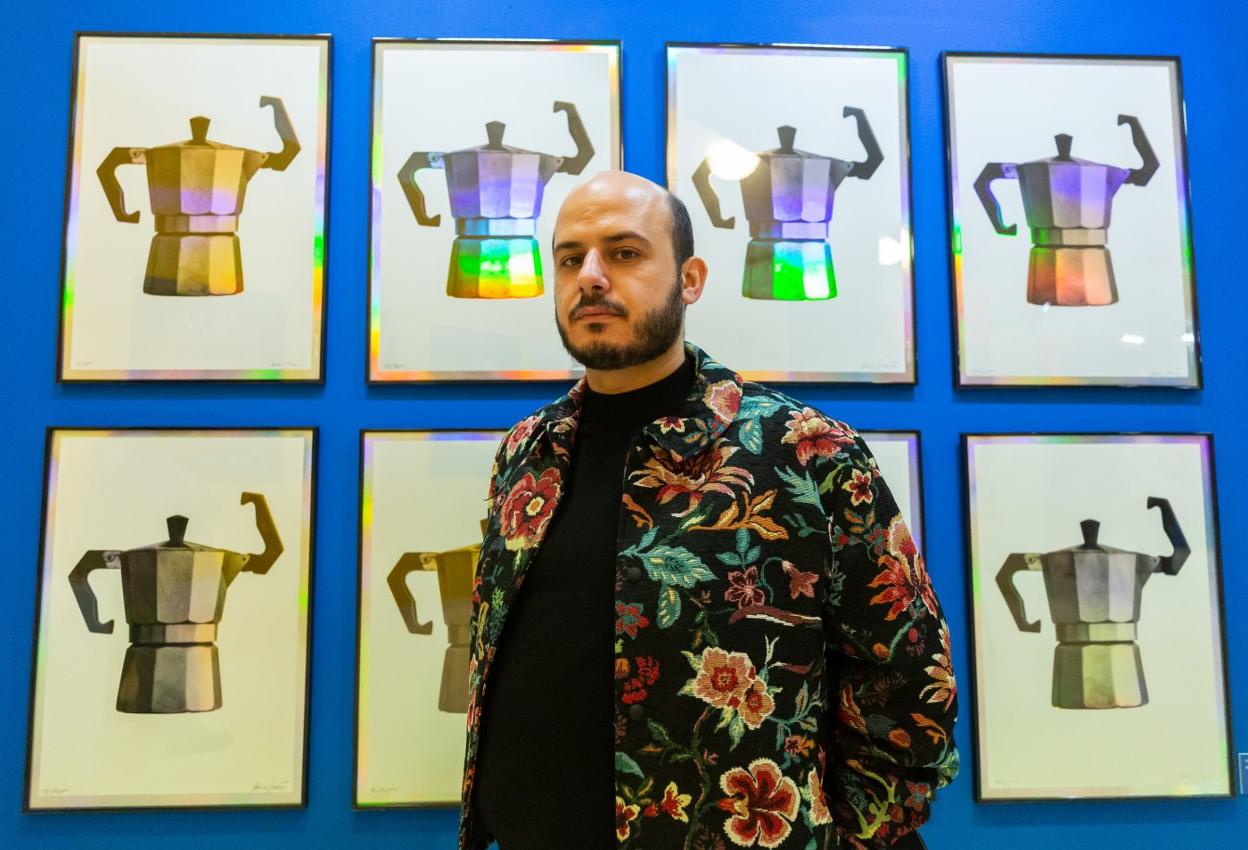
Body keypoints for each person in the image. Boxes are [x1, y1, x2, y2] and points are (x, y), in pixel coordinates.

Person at [460, 171, 958, 850]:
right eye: (571, 258)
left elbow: (911, 674)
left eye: (625, 253)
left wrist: (855, 836)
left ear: (689, 280)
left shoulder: (805, 450)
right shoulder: (527, 451)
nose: (592, 277)